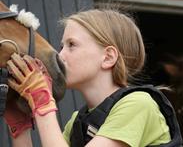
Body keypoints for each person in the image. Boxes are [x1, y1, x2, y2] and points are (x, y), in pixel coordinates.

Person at [5, 9, 175, 147]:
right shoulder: (76, 122)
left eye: (72, 45)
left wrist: (41, 101)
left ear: (108, 57)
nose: (60, 55)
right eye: (62, 46)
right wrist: (21, 129)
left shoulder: (138, 104)